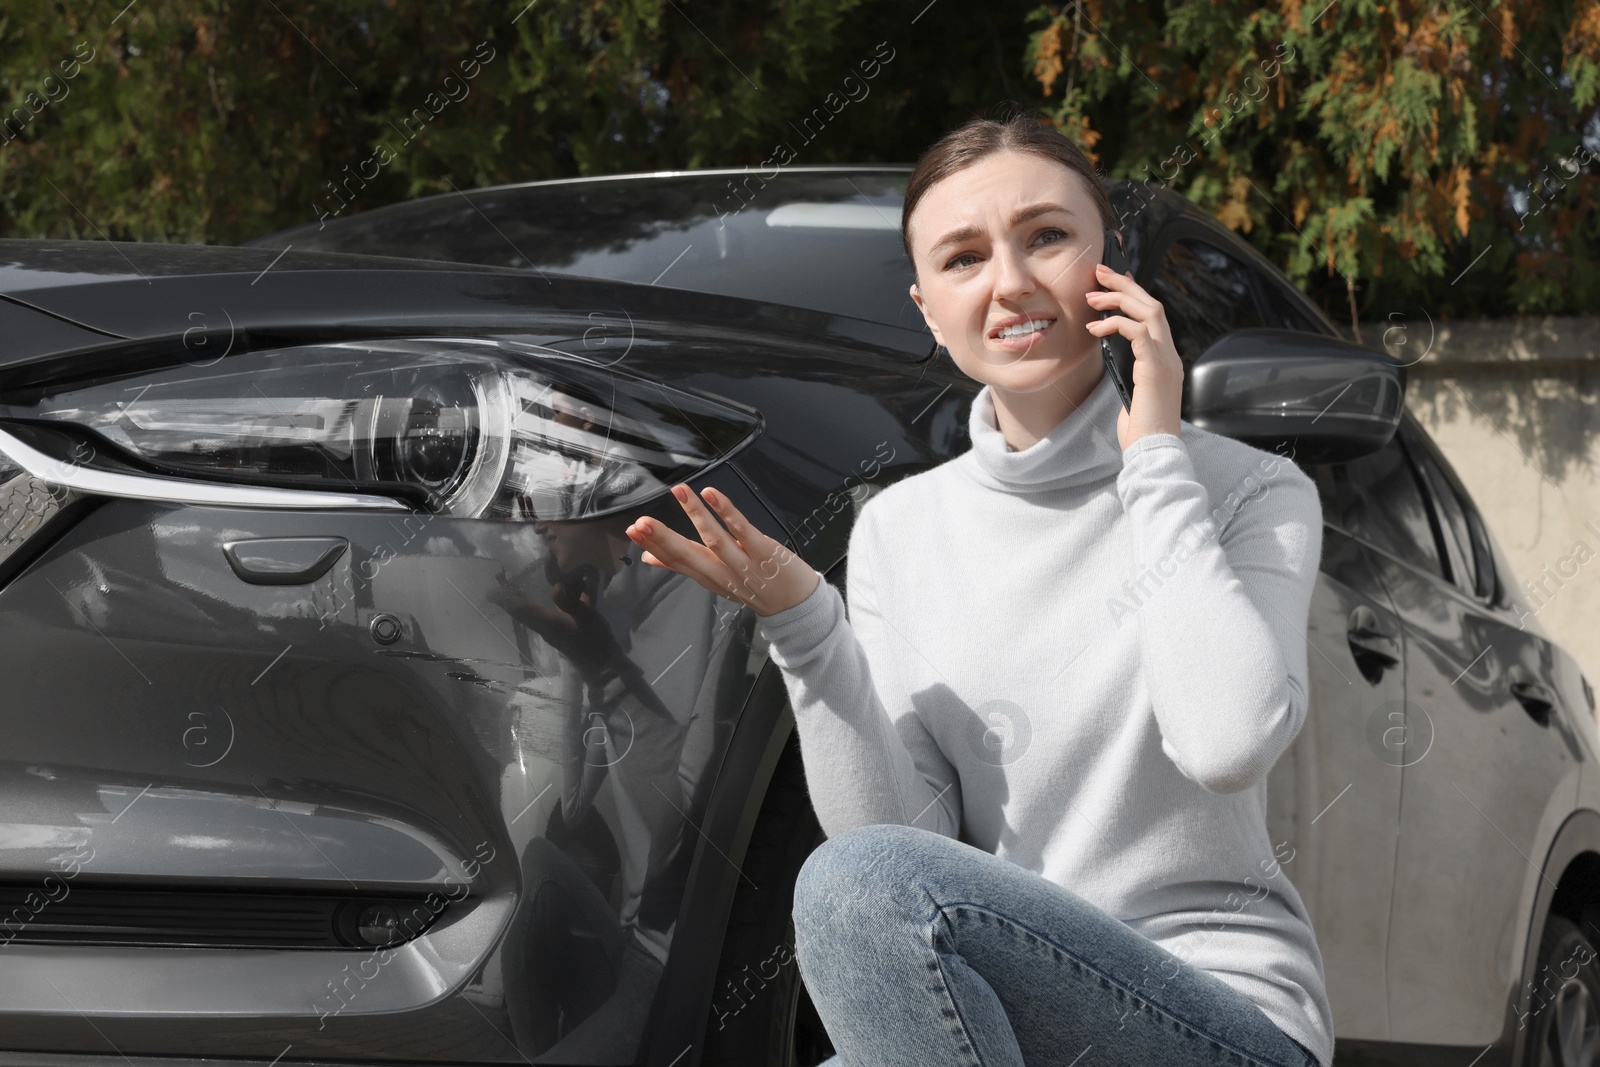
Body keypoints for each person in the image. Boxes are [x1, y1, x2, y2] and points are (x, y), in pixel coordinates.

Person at [625, 113, 1332, 1067]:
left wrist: (1157, 457)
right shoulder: (898, 529)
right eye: (963, 258)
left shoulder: (1252, 489)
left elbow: (1225, 741)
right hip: (1000, 1024)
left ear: (1112, 260)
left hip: (1217, 1023)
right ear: (926, 307)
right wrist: (803, 623)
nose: (1010, 283)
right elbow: (897, 850)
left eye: (1047, 235)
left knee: (856, 885)